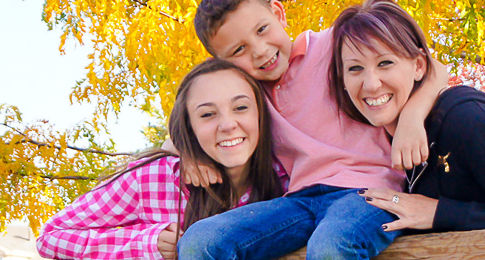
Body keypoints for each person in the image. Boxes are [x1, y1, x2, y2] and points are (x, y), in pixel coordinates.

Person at [176, 0, 449, 259]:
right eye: (239, 50)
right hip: (301, 201)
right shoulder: (248, 95)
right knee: (199, 240)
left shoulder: (333, 44)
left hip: (369, 190)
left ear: (278, 13)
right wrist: (192, 155)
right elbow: (193, 123)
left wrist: (411, 118)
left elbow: (434, 67)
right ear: (223, 62)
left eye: (262, 30)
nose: (259, 50)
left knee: (331, 245)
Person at [328, 0, 485, 233]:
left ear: (419, 66)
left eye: (385, 63)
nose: (370, 84)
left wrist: (438, 212)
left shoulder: (469, 122)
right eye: (355, 68)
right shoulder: (368, 142)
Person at [35, 59, 287, 260]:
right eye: (208, 114)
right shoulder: (153, 179)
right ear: (189, 126)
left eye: (241, 107)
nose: (228, 124)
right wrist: (146, 243)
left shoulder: (287, 175)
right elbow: (51, 236)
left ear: (261, 113)